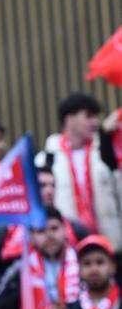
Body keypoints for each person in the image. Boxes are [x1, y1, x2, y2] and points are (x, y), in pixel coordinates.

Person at [44, 93, 121, 248]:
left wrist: (107, 138)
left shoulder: (105, 151)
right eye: (89, 116)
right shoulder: (47, 158)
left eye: (96, 117)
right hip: (68, 246)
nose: (95, 122)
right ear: (69, 119)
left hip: (110, 245)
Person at [65, 235, 121, 309]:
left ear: (113, 266)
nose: (94, 269)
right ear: (79, 269)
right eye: (87, 263)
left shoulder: (119, 304)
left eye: (100, 262)